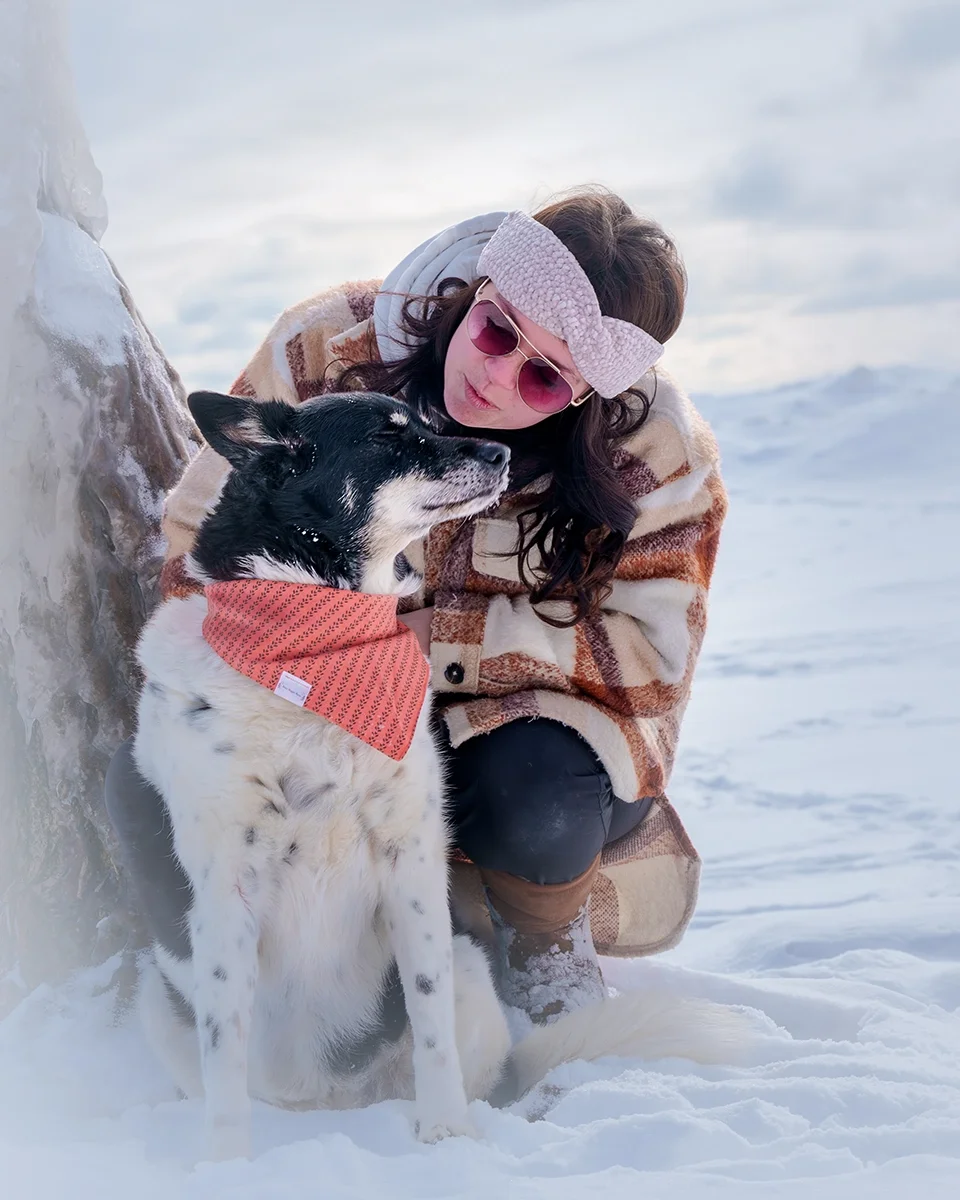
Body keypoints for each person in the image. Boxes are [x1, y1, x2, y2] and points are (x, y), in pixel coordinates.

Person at [105, 187, 726, 1027]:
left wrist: (441, 642)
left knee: (529, 792)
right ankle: (212, 981)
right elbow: (196, 540)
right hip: (313, 699)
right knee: (154, 772)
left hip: (526, 740)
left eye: (544, 378)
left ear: (587, 397)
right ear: (477, 292)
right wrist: (294, 666)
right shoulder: (323, 351)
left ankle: (543, 943)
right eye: (498, 331)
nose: (496, 375)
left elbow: (656, 658)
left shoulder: (656, 452)